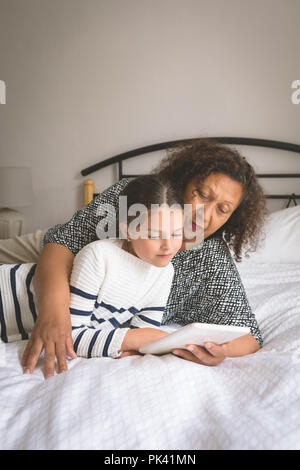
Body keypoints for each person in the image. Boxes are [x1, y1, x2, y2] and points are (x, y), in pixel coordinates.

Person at [20, 139, 267, 377]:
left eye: (222, 209)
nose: (205, 214)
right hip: (43, 259)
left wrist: (220, 351)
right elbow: (63, 243)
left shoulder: (211, 261)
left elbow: (250, 336)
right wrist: (53, 311)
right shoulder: (136, 199)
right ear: (184, 181)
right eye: (202, 194)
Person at [0, 175, 185, 358]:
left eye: (177, 234)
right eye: (154, 235)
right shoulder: (99, 256)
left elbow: (145, 336)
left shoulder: (165, 273)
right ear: (127, 230)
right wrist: (130, 340)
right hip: (6, 294)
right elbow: (69, 338)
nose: (168, 245)